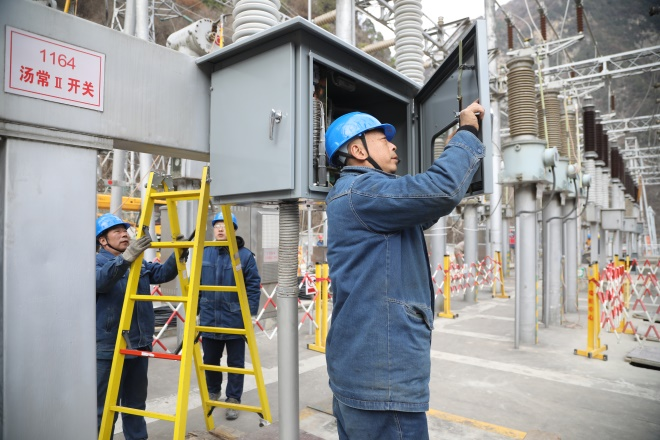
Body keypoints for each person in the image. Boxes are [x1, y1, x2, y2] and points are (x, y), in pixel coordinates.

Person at [324, 102, 485, 440]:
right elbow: (439, 191)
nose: (394, 145)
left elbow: (427, 205)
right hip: (382, 383)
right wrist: (467, 134)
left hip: (363, 375)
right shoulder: (363, 190)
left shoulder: (357, 195)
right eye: (382, 139)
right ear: (357, 150)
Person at [95, 213, 179, 439]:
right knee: (103, 408)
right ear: (103, 241)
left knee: (135, 405)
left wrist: (179, 253)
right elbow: (102, 282)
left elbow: (163, 273)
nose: (124, 234)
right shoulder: (96, 263)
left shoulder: (138, 262)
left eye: (125, 230)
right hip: (109, 348)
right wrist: (126, 259)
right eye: (117, 231)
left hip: (139, 343)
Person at [199, 212, 261, 420]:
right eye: (216, 225)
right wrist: (196, 312)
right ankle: (213, 390)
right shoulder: (204, 252)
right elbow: (196, 286)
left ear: (233, 229)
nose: (220, 229)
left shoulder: (244, 256)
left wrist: (250, 314)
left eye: (225, 225)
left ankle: (233, 398)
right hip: (209, 318)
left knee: (235, 363)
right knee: (210, 359)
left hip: (234, 318)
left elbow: (253, 287)